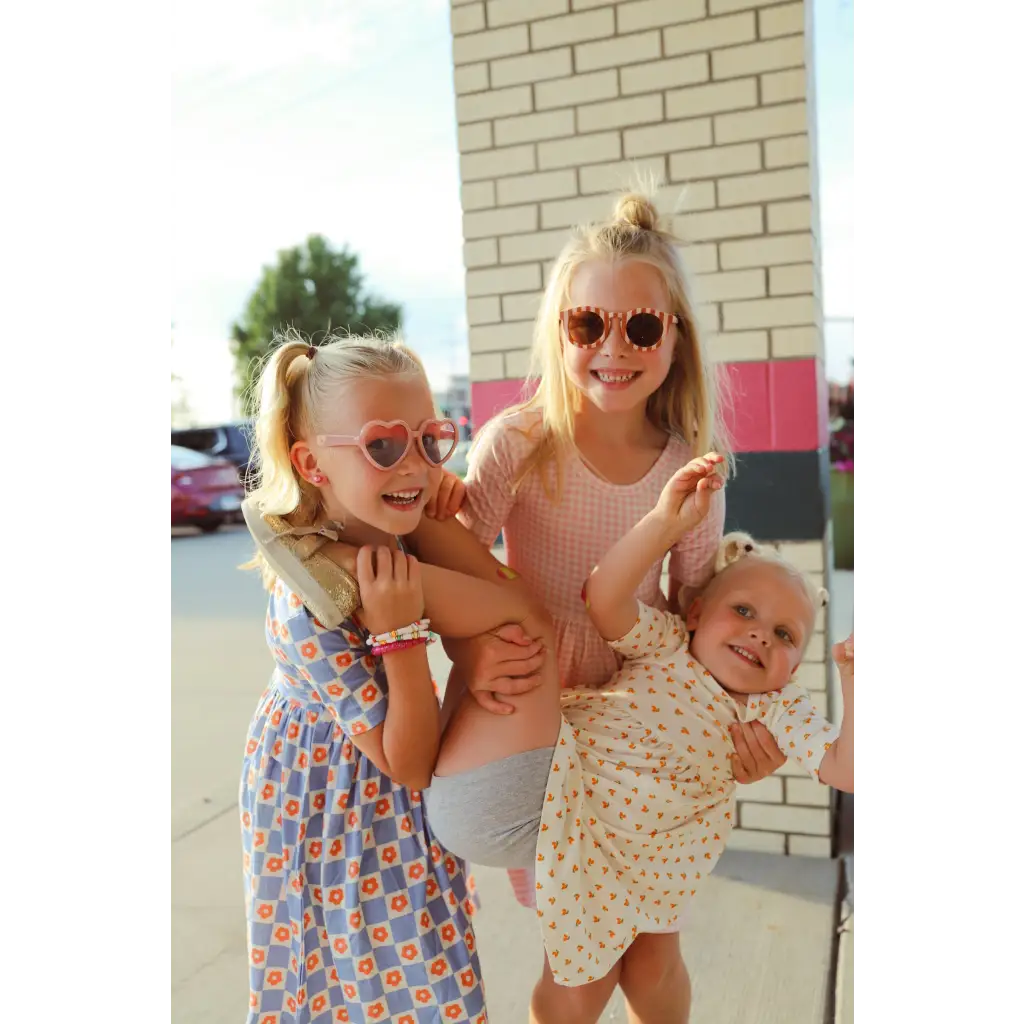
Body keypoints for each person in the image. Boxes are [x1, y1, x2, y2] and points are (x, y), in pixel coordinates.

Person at [425, 188, 788, 1022]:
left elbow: (698, 613)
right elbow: (461, 571)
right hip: (543, 731)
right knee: (582, 966)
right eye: (589, 325)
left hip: (644, 740)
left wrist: (735, 736)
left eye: (642, 327)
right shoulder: (517, 442)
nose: (613, 348)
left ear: (675, 339)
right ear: (560, 333)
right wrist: (471, 651)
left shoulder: (686, 468)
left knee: (653, 957)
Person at [238, 329, 505, 1024]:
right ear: (310, 463)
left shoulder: (397, 530)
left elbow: (513, 606)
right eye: (383, 445)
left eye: (429, 440)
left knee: (424, 968)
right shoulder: (311, 605)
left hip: (393, 797)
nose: (412, 465)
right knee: (358, 980)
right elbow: (409, 763)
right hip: (328, 808)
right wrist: (401, 634)